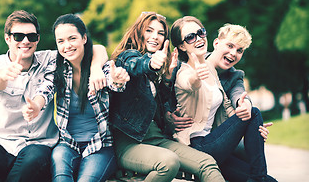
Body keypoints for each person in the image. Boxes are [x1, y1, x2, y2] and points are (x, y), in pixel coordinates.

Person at [0, 10, 108, 182]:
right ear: (7, 39)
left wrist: (95, 68)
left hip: (39, 145)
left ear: (37, 39)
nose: (25, 41)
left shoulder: (51, 58)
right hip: (2, 145)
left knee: (32, 159)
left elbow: (95, 48)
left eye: (31, 36)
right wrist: (3, 76)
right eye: (18, 36)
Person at [110, 12, 225, 182]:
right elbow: (135, 65)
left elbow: (157, 104)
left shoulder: (160, 72)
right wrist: (150, 63)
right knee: (168, 162)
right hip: (129, 143)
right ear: (138, 32)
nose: (155, 37)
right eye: (149, 31)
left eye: (161, 33)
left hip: (157, 139)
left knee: (207, 163)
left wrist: (167, 80)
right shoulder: (127, 57)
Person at [23, 13, 130, 182]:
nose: (67, 45)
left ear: (84, 38)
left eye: (72, 38)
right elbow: (46, 89)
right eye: (61, 41)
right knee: (60, 175)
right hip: (67, 144)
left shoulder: (99, 67)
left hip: (100, 145)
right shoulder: (58, 67)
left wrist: (117, 80)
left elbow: (112, 81)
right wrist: (36, 106)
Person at [170, 16, 277, 182]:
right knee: (254, 114)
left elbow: (237, 96)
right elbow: (185, 83)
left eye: (239, 50)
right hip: (197, 145)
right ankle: (258, 178)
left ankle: (260, 178)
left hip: (216, 141)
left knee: (271, 180)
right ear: (216, 43)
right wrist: (168, 115)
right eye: (230, 46)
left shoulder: (224, 73)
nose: (233, 53)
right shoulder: (182, 69)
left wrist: (249, 119)